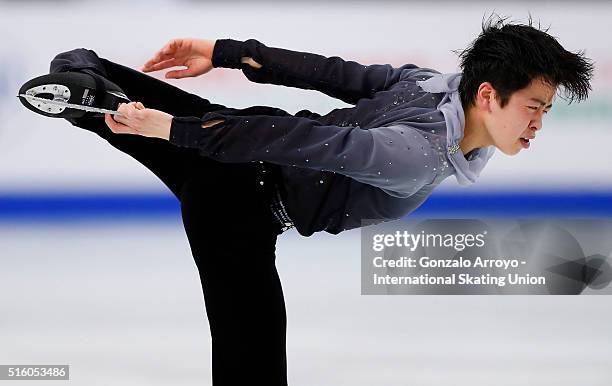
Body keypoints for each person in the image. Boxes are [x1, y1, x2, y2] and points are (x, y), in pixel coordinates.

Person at [48, 13, 593, 386]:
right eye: (534, 106)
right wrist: (175, 130)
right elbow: (308, 143)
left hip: (236, 145)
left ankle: (86, 88)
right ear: (488, 95)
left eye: (545, 109)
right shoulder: (419, 155)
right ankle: (94, 96)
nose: (539, 123)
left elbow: (335, 76)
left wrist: (225, 53)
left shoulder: (434, 87)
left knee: (87, 68)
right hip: (239, 207)